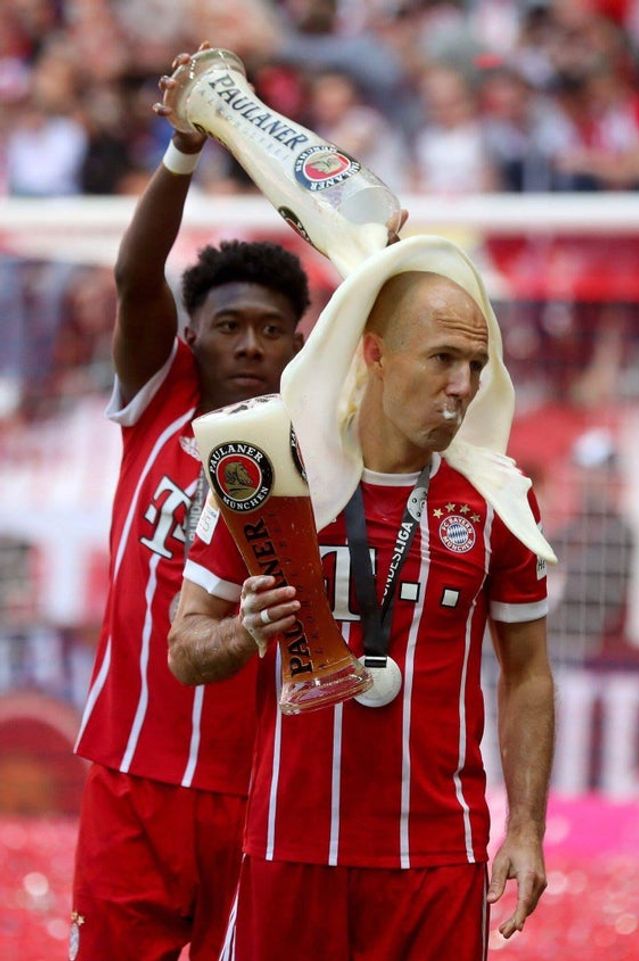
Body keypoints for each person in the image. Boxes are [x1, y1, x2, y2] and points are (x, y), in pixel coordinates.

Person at [168, 243, 556, 960]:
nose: (463, 384)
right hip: (291, 846)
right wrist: (248, 629)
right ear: (375, 353)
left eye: (476, 365)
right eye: (442, 358)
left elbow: (528, 672)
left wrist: (527, 828)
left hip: (438, 855)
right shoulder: (269, 471)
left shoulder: (501, 499)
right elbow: (186, 649)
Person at [70, 46, 310, 961]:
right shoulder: (159, 403)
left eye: (271, 328)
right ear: (194, 337)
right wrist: (181, 150)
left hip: (259, 782)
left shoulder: (315, 449)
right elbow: (136, 279)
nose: (249, 344)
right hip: (133, 770)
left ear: (298, 342)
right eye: (227, 326)